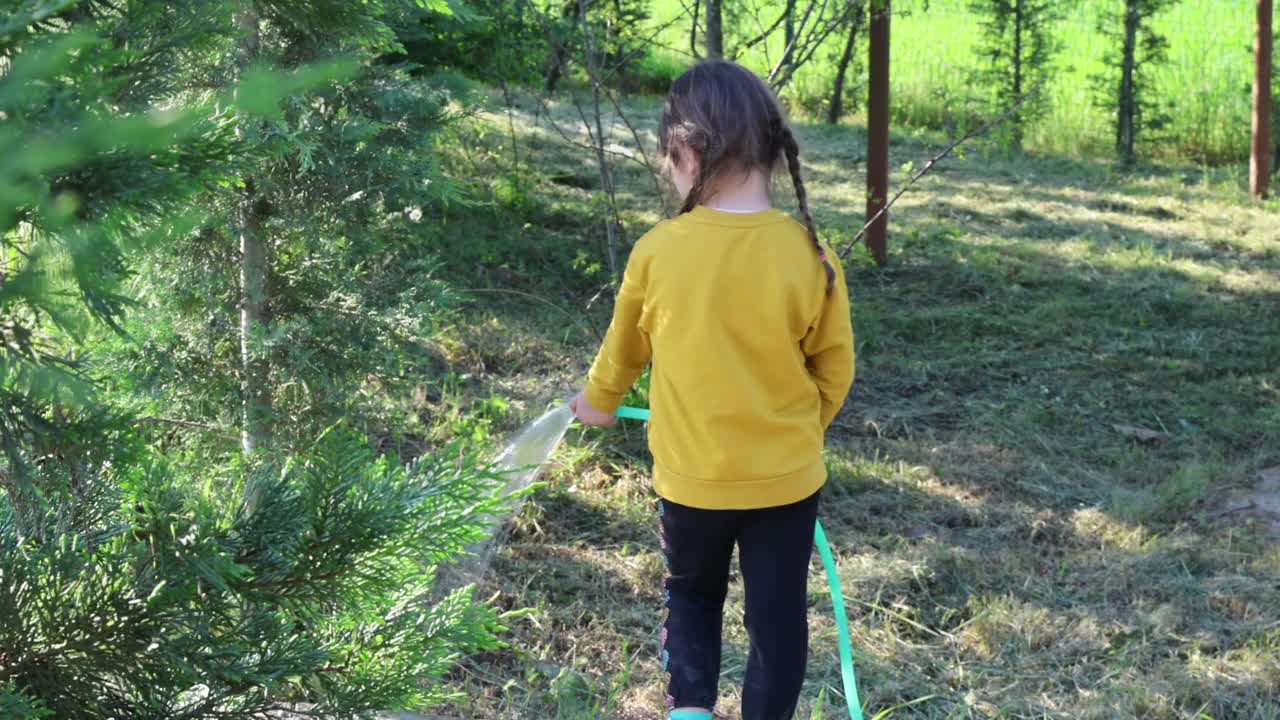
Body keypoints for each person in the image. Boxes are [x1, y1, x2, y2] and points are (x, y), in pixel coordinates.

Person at [569, 60, 855, 720]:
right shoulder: (809, 254)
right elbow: (834, 369)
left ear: (689, 151)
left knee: (693, 600)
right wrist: (800, 433)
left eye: (669, 158)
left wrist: (599, 403)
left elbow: (623, 349)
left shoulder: (658, 251)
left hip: (690, 483)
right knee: (776, 623)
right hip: (786, 484)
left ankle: (691, 712)